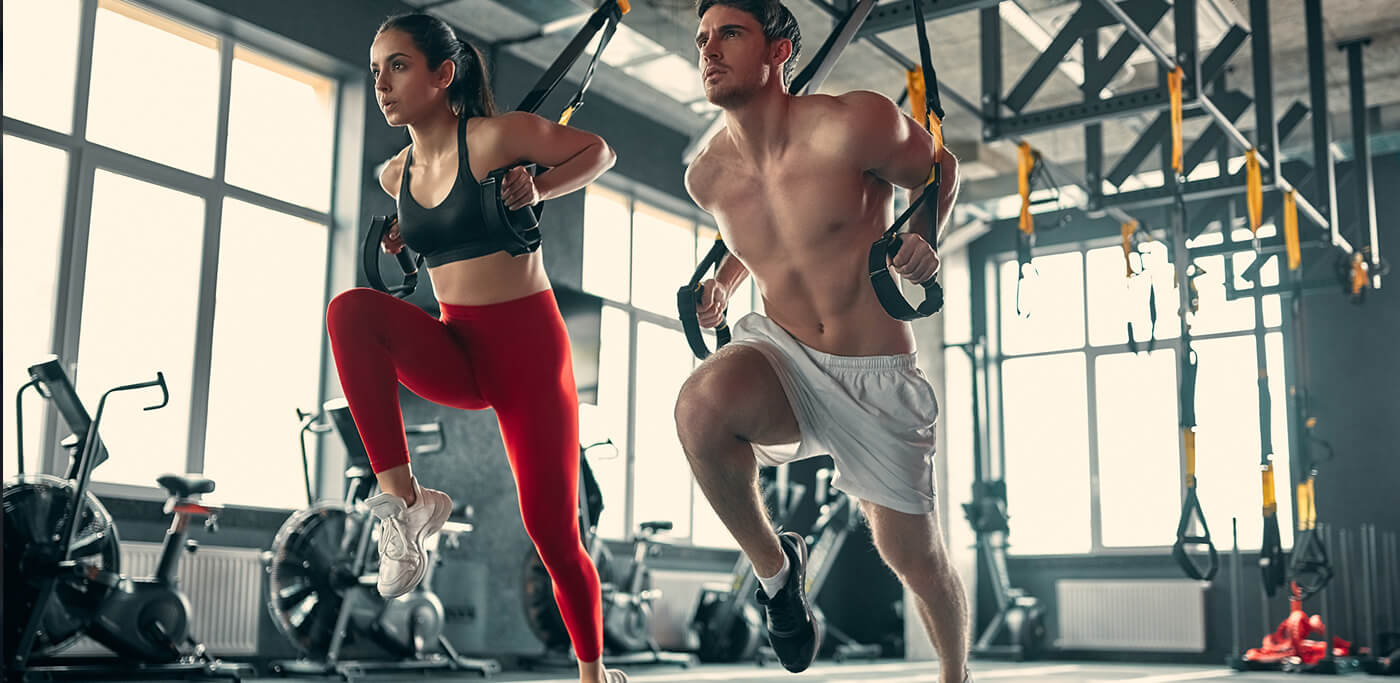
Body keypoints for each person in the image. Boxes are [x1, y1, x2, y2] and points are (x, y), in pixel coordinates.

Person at [325, 14, 626, 683]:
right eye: (376, 70)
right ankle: (405, 501)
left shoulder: (496, 139)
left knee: (552, 533)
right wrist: (410, 233)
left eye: (397, 65)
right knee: (350, 312)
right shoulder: (393, 175)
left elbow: (599, 152)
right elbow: (438, 225)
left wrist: (539, 186)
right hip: (458, 349)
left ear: (442, 74)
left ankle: (593, 668)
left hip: (530, 358)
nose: (382, 82)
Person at [675, 1, 970, 681]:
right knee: (700, 406)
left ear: (778, 52)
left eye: (730, 34)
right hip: (786, 358)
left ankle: (958, 673)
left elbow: (939, 171)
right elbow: (764, 230)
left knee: (913, 556)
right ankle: (778, 576)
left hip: (875, 371)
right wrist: (722, 279)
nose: (709, 51)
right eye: (702, 39)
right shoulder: (707, 177)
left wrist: (924, 235)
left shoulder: (853, 124)